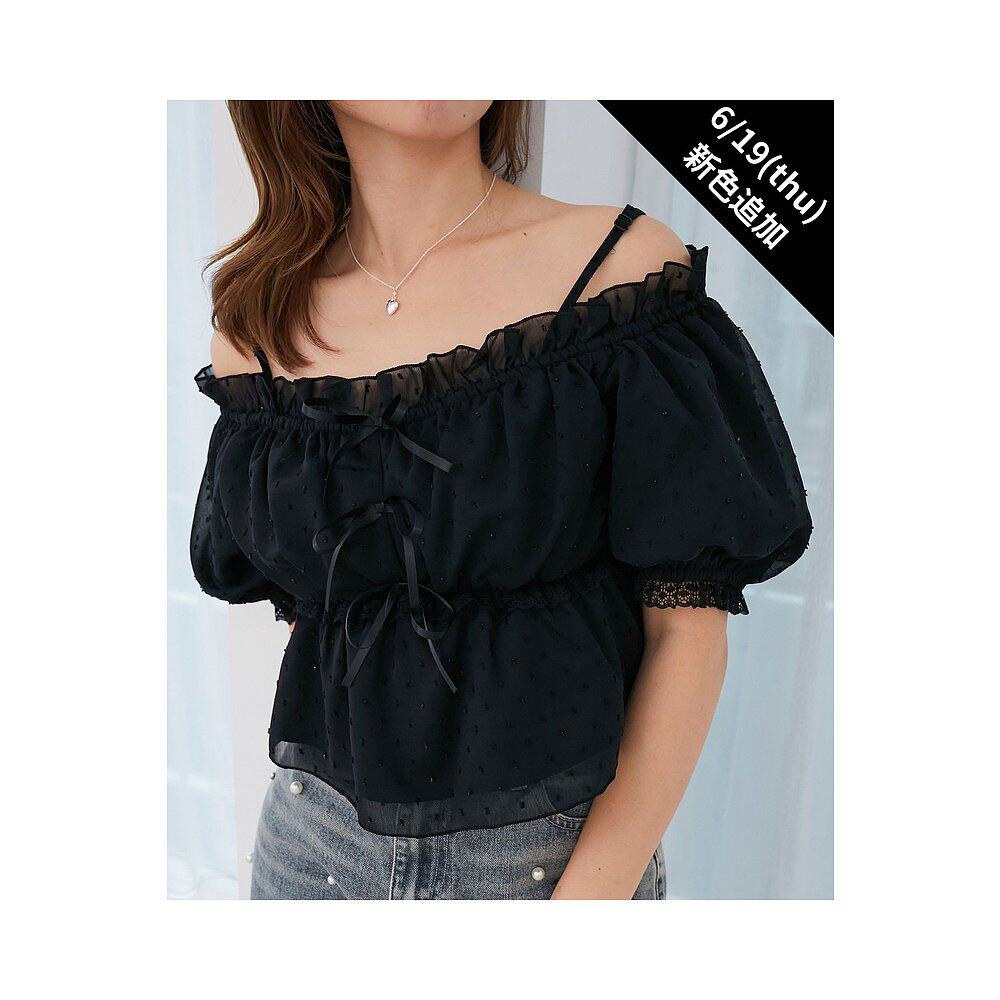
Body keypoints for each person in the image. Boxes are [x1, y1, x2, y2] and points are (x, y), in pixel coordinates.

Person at [191, 100, 811, 899]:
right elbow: (319, 622)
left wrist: (588, 901)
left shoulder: (617, 268)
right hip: (312, 853)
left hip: (550, 863)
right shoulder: (256, 325)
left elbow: (686, 627)